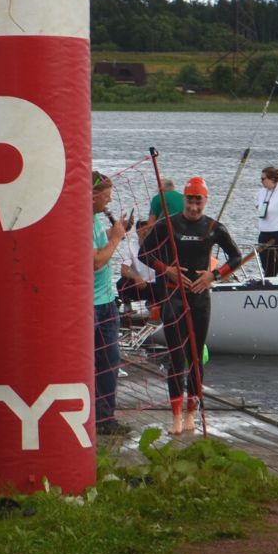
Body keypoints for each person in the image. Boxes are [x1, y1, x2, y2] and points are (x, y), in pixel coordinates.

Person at [140, 176, 243, 436]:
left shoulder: (213, 228)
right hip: (174, 297)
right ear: (183, 199)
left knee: (195, 357)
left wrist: (214, 276)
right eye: (190, 200)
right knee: (176, 357)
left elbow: (236, 257)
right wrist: (168, 271)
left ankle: (191, 413)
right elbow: (145, 253)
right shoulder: (168, 225)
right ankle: (175, 416)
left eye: (199, 201)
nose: (194, 207)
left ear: (205, 201)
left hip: (199, 298)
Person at [91, 170, 128, 436]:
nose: (109, 202)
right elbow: (95, 262)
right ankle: (90, 414)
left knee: (110, 360)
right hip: (89, 304)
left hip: (107, 300)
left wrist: (114, 233)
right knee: (88, 361)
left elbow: (99, 245)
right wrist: (115, 238)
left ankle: (105, 417)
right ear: (92, 195)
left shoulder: (94, 220)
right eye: (106, 197)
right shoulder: (80, 220)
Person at [116, 219, 158, 315]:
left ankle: (154, 304)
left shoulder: (158, 246)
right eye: (143, 229)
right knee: (121, 283)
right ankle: (127, 307)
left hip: (155, 284)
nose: (146, 231)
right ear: (137, 231)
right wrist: (136, 278)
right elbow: (123, 270)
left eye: (149, 229)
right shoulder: (130, 246)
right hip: (139, 284)